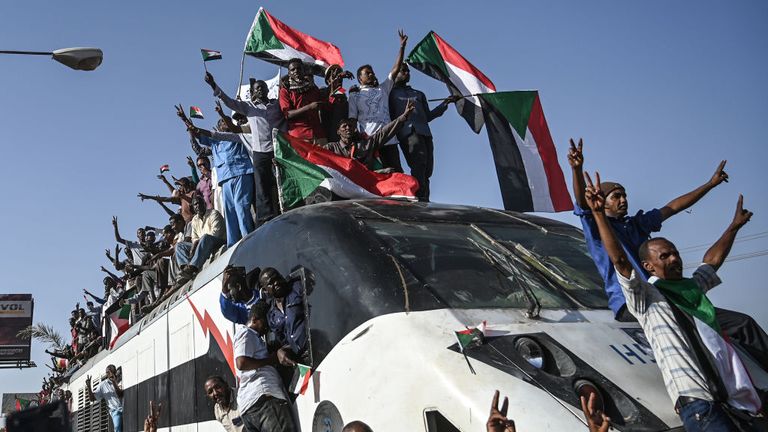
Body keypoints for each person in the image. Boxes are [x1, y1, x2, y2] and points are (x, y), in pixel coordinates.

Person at [583, 171, 761, 431]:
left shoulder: (688, 290)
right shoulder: (648, 302)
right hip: (701, 406)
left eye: (675, 254)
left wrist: (732, 226)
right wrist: (597, 211)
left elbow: (710, 262)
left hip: (735, 403)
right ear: (648, 266)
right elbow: (620, 262)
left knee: (743, 322)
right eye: (664, 256)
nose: (674, 259)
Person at [569, 141, 768, 371]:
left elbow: (673, 207)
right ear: (601, 203)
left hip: (661, 297)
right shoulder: (597, 227)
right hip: (633, 302)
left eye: (624, 195)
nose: (623, 200)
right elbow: (584, 205)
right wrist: (576, 169)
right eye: (615, 196)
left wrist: (710, 185)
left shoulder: (636, 226)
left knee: (739, 324)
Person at [206, 73, 282, 224]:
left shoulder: (275, 106)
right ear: (253, 93)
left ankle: (281, 208)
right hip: (260, 153)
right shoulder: (249, 107)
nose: (260, 90)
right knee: (261, 186)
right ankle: (265, 217)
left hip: (277, 149)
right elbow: (229, 102)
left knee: (278, 181)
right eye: (256, 89)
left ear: (267, 90)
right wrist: (214, 85)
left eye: (262, 87)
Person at [178, 106, 255, 246]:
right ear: (218, 128)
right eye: (222, 123)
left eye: (226, 122)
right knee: (230, 212)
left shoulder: (237, 136)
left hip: (241, 173)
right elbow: (198, 140)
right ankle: (233, 244)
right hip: (224, 179)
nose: (225, 124)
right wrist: (186, 122)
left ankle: (249, 238)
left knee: (241, 207)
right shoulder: (215, 142)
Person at [390, 63, 460, 201]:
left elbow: (427, 116)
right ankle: (418, 196)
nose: (407, 73)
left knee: (427, 169)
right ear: (395, 73)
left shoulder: (418, 94)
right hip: (408, 133)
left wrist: (446, 103)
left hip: (425, 133)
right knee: (419, 165)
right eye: (403, 71)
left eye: (408, 71)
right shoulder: (390, 93)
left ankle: (425, 198)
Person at [348, 30, 408, 171]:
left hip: (389, 139)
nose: (371, 74)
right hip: (370, 142)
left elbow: (395, 69)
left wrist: (402, 47)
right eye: (367, 73)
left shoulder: (383, 88)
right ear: (359, 78)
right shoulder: (354, 95)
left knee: (396, 173)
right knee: (376, 176)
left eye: (372, 72)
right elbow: (352, 119)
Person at [234, 301, 296, 432]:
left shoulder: (255, 339)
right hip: (264, 400)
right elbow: (241, 362)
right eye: (265, 323)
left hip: (251, 408)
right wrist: (271, 360)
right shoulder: (247, 333)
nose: (267, 328)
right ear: (255, 319)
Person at [322, 99, 415, 171]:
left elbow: (384, 133)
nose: (347, 128)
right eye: (344, 126)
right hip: (342, 185)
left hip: (366, 183)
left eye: (350, 126)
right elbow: (315, 155)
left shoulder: (365, 144)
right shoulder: (331, 148)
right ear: (338, 131)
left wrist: (404, 117)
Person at [174, 194, 226, 287]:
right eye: (195, 205)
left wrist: (198, 242)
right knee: (179, 245)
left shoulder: (213, 213)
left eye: (199, 203)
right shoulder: (194, 219)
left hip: (216, 241)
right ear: (193, 208)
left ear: (204, 204)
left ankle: (192, 267)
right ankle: (186, 268)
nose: (197, 206)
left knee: (205, 237)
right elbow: (194, 237)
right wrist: (194, 245)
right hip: (202, 244)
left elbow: (216, 234)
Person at [259, 267, 309, 364]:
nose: (276, 283)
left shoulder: (298, 288)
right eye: (271, 283)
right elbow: (285, 341)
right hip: (301, 360)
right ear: (266, 291)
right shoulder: (272, 315)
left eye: (277, 278)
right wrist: (281, 351)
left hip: (317, 347)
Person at [279, 58, 327, 144]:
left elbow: (324, 103)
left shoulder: (313, 87)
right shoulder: (285, 91)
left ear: (303, 70)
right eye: (292, 70)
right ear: (289, 73)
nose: (296, 71)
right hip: (299, 135)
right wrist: (309, 107)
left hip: (318, 135)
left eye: (299, 68)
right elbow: (288, 114)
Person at [320, 64, 354, 142]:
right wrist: (337, 79)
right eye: (334, 75)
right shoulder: (323, 91)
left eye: (340, 74)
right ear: (328, 80)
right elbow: (327, 104)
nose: (339, 77)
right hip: (329, 134)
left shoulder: (343, 94)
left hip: (344, 136)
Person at [86, 364, 123, 432]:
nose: (109, 373)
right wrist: (88, 387)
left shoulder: (120, 379)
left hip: (125, 407)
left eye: (111, 371)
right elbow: (92, 398)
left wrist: (114, 382)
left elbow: (120, 394)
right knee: (117, 428)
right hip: (115, 410)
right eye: (107, 372)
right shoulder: (103, 385)